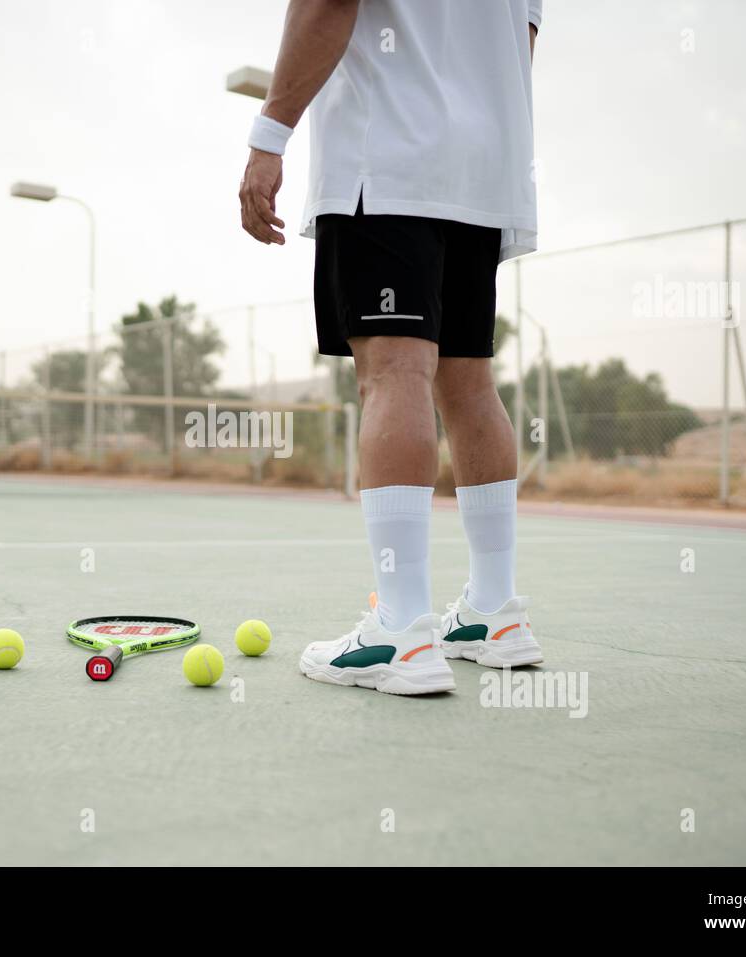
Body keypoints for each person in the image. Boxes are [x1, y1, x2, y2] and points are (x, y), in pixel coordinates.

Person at [239, 0, 545, 695]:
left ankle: (401, 630)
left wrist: (269, 135)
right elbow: (519, 43)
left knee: (395, 372)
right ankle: (495, 614)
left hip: (392, 157)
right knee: (469, 382)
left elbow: (329, 3)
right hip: (486, 172)